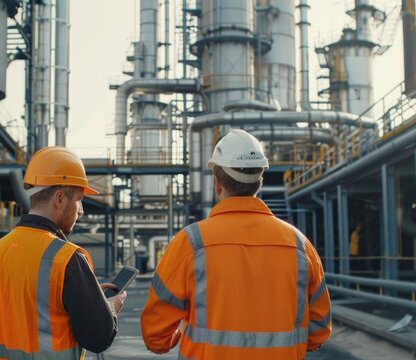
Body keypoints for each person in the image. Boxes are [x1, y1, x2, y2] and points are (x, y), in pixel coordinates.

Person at [141, 129, 332, 359]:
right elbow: (319, 331)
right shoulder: (300, 246)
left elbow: (155, 335)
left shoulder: (190, 243)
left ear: (217, 184)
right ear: (259, 183)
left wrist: (171, 340)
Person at [0, 147, 126, 359]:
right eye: (79, 200)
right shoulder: (66, 259)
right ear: (60, 199)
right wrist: (109, 307)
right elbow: (98, 338)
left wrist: (84, 299)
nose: (81, 210)